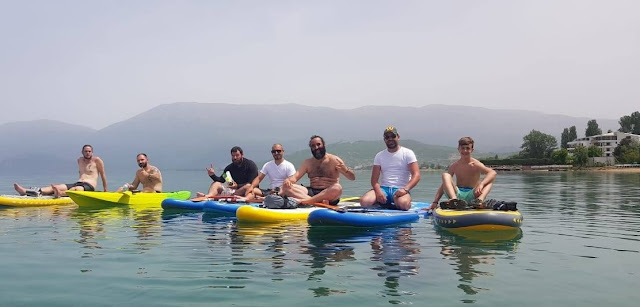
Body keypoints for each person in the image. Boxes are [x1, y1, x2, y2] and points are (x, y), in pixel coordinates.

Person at [282, 135, 356, 205]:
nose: (316, 147)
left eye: (318, 144)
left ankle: (306, 201)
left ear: (324, 145)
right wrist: (288, 180)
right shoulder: (308, 162)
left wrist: (346, 170)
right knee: (286, 187)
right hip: (312, 192)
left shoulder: (334, 160)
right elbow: (295, 177)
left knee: (337, 188)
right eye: (313, 146)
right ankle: (315, 202)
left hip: (328, 194)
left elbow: (352, 178)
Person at [360, 126, 421, 211]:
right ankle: (381, 201)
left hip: (400, 189)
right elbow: (374, 180)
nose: (390, 139)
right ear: (384, 139)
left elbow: (416, 175)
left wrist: (405, 189)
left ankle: (399, 202)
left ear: (398, 137)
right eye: (387, 137)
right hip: (384, 189)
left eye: (393, 136)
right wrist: (378, 192)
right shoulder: (379, 155)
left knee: (404, 204)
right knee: (365, 202)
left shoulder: (408, 153)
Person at [13, 144, 108, 197]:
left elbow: (103, 175)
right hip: (78, 183)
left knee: (75, 190)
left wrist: (105, 191)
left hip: (89, 186)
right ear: (82, 152)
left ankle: (60, 194)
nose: (87, 153)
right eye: (86, 151)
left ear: (92, 152)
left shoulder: (97, 160)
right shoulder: (79, 160)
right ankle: (25, 191)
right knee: (55, 187)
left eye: (89, 151)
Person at [431, 137, 497, 209]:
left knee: (490, 180)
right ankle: (454, 201)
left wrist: (482, 184)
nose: (465, 150)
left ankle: (479, 201)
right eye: (462, 148)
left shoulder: (476, 164)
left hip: (473, 195)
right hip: (457, 194)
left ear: (472, 150)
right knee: (445, 175)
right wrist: (435, 202)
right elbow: (444, 184)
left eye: (468, 148)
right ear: (458, 149)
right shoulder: (454, 166)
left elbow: (493, 172)